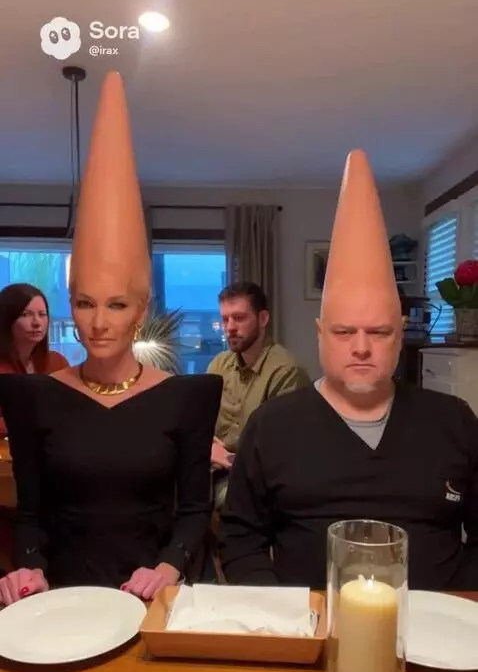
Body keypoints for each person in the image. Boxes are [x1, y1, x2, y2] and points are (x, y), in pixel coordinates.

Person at [0, 70, 221, 607]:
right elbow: (30, 514)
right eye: (85, 302)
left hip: (153, 597)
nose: (98, 322)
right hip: (62, 598)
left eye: (116, 304)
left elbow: (194, 511)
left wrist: (169, 565)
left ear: (140, 310)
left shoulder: (185, 398)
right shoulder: (33, 396)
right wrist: (28, 568)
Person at [217, 149, 478, 592]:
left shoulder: (454, 421)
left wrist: (459, 603)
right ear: (320, 335)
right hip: (308, 622)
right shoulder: (273, 426)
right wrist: (279, 611)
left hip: (438, 622)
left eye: (378, 332)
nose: (360, 347)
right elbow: (241, 538)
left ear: (400, 335)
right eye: (343, 332)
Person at [207, 281, 310, 507]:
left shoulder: (286, 371)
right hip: (213, 467)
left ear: (263, 319)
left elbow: (282, 450)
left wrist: (229, 460)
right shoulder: (219, 364)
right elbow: (198, 423)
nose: (230, 327)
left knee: (226, 498)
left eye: (239, 318)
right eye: (225, 319)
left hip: (256, 477)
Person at [0, 283, 68, 435]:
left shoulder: (57, 362)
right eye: (25, 314)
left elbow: (70, 410)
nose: (37, 322)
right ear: (6, 319)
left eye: (42, 314)